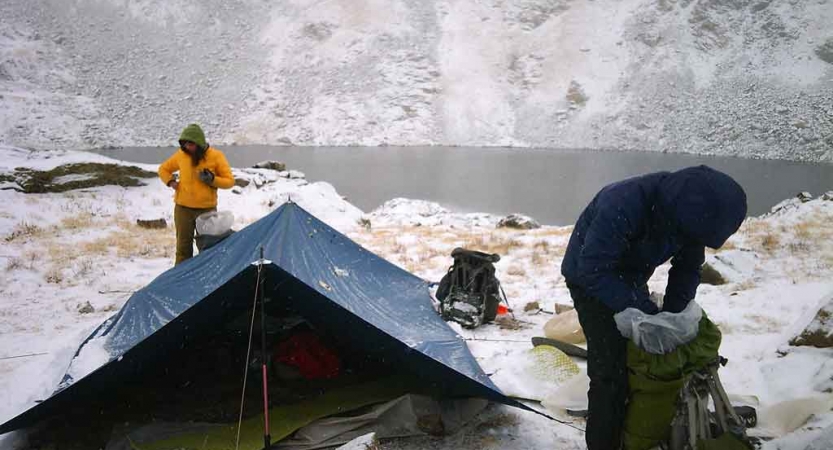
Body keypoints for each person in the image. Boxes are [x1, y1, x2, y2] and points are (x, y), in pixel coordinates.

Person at [560, 165, 747, 450]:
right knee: (609, 372)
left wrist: (672, 317)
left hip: (629, 275)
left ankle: (639, 428)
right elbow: (594, 269)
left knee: (643, 358)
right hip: (588, 278)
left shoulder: (689, 217)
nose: (692, 239)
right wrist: (644, 312)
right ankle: (604, 441)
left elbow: (687, 267)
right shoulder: (622, 202)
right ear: (677, 213)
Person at [158, 124, 234, 265]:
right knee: (183, 248)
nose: (187, 147)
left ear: (199, 143)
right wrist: (170, 181)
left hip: (206, 210)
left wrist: (212, 179)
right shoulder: (181, 155)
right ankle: (179, 279)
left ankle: (205, 278)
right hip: (183, 209)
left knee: (207, 248)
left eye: (190, 144)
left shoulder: (216, 156)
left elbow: (229, 181)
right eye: (184, 144)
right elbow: (163, 169)